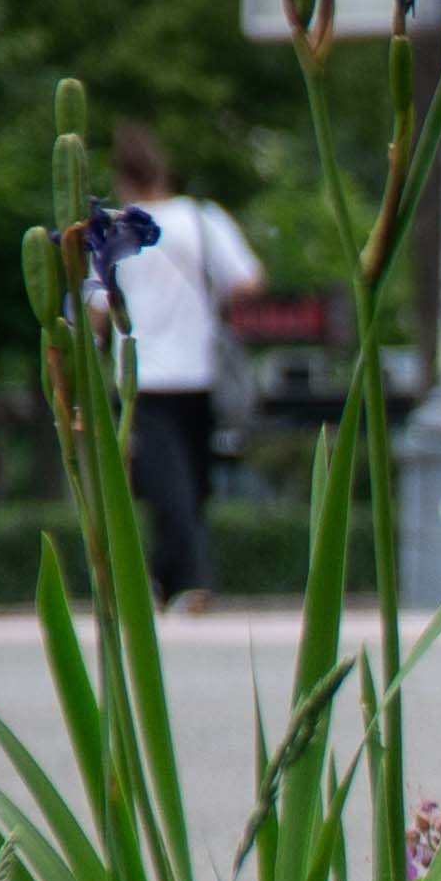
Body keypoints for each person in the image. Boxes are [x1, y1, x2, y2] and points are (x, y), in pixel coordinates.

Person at [102, 123, 266, 611]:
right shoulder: (200, 219)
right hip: (197, 368)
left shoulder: (112, 227)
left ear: (121, 175)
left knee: (163, 483)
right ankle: (179, 579)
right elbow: (249, 281)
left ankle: (177, 579)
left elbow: (88, 305)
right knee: (191, 481)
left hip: (141, 374)